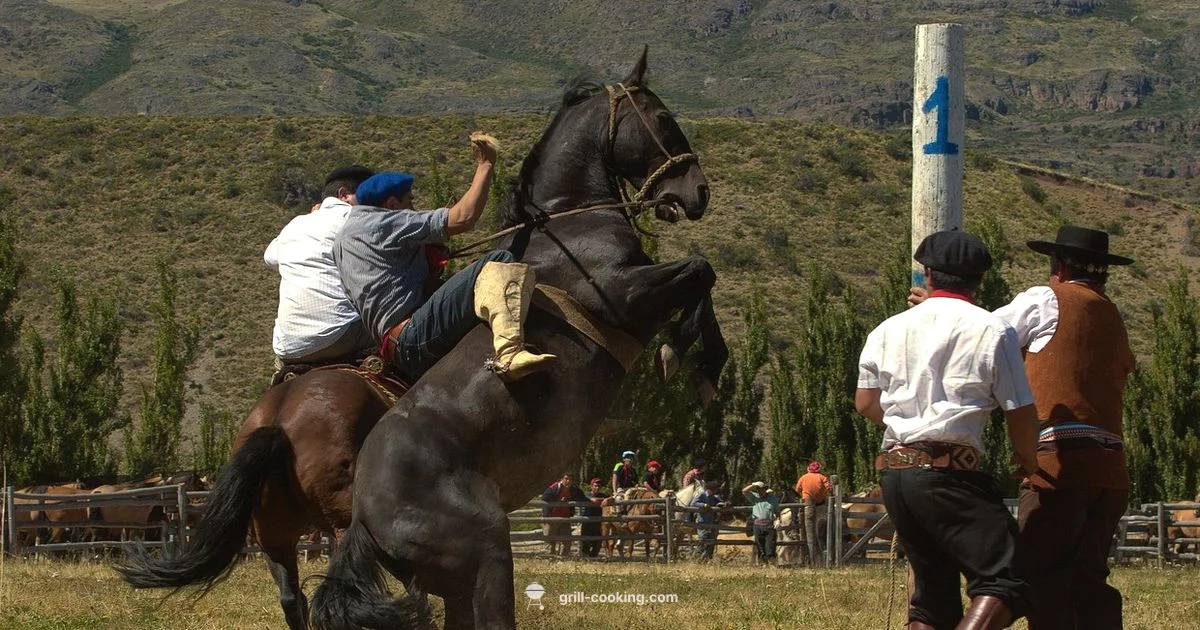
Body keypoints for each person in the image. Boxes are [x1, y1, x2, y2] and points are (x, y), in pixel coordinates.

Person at [856, 230, 1040, 630]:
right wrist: (1029, 459)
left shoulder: (886, 329)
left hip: (897, 475)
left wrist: (912, 429)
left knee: (933, 597)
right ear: (980, 279)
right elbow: (1020, 410)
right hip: (950, 473)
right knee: (1007, 579)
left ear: (927, 274)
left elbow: (866, 403)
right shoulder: (992, 329)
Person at [332, 133, 556, 384]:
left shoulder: (343, 240)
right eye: (410, 202)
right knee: (496, 260)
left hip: (394, 347)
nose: (413, 210)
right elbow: (463, 218)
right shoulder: (382, 222)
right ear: (392, 204)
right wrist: (485, 164)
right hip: (413, 335)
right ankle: (509, 353)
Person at [996, 226, 1136, 630]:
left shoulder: (1045, 300)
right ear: (1102, 273)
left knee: (1041, 578)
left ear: (1058, 266)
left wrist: (936, 312)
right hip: (1110, 471)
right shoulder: (1111, 315)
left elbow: (982, 336)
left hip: (1060, 468)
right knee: (1088, 580)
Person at [264, 165, 378, 367]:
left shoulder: (296, 224)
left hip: (288, 347)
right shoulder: (358, 219)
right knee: (403, 332)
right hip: (339, 334)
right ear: (343, 194)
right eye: (367, 197)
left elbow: (270, 258)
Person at [795, 461, 833, 566]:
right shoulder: (822, 477)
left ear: (808, 469)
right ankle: (825, 559)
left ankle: (811, 559)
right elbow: (830, 488)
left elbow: (797, 489)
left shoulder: (803, 477)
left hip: (808, 503)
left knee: (809, 532)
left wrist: (805, 492)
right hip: (820, 503)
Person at [540, 473, 588, 556]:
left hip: (565, 518)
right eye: (566, 478)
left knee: (566, 541)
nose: (568, 481)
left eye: (570, 479)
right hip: (551, 518)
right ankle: (550, 559)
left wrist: (594, 500)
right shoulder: (554, 488)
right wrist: (558, 501)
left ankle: (563, 559)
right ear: (561, 479)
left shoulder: (573, 489)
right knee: (550, 541)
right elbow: (544, 497)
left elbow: (582, 498)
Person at [742, 481, 780, 564]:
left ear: (765, 490)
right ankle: (763, 564)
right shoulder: (755, 497)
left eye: (761, 489)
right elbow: (744, 491)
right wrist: (753, 485)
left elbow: (777, 511)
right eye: (758, 490)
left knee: (770, 545)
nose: (760, 492)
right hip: (757, 524)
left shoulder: (772, 499)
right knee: (760, 546)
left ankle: (772, 563)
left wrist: (777, 519)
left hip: (769, 524)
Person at [690, 480, 724, 560]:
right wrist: (704, 505)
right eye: (715, 489)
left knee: (711, 541)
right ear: (710, 489)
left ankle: (707, 559)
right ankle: (696, 558)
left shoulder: (714, 497)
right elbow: (693, 503)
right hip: (702, 521)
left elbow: (720, 503)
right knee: (703, 539)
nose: (716, 491)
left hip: (711, 522)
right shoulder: (702, 495)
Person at [580, 478, 609, 558]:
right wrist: (604, 500)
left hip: (598, 523)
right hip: (587, 522)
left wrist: (608, 499)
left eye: (599, 486)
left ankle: (592, 558)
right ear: (591, 486)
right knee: (586, 543)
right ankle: (585, 558)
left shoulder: (603, 495)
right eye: (595, 486)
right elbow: (594, 500)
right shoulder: (586, 494)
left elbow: (612, 498)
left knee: (597, 544)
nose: (597, 487)